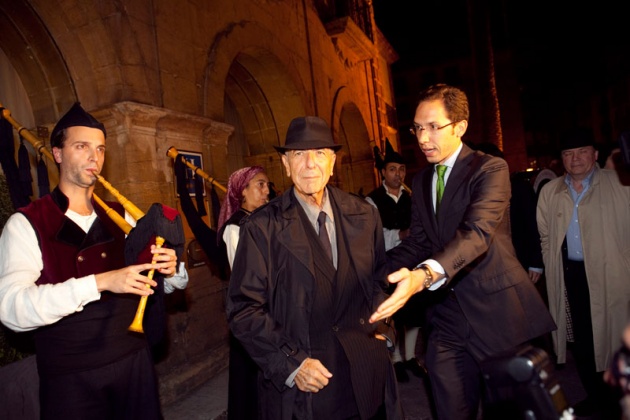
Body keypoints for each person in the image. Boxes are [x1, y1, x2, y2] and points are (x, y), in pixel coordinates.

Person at [368, 83, 556, 420]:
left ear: (460, 127)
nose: (422, 138)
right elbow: (419, 241)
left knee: (511, 411)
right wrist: (375, 275)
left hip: (497, 313)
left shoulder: (489, 169)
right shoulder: (423, 180)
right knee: (451, 409)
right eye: (417, 128)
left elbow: (477, 234)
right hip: (446, 318)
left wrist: (423, 276)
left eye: (433, 127)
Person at [0, 102, 188, 419]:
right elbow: (11, 308)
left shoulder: (123, 215)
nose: (94, 157)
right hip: (71, 376)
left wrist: (171, 269)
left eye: (100, 149)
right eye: (81, 146)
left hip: (133, 362)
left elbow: (170, 283)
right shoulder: (26, 223)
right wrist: (101, 282)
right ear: (57, 153)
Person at [226, 116, 402, 420]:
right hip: (304, 385)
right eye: (298, 154)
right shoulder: (262, 227)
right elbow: (244, 310)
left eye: (319, 153)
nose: (309, 164)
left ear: (333, 162)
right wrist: (291, 364)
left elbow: (379, 281)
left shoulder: (363, 214)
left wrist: (383, 333)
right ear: (285, 163)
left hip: (364, 374)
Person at [536, 127, 630, 417]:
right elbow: (545, 235)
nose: (575, 159)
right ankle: (595, 396)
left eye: (582, 152)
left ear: (595, 155)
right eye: (568, 153)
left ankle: (619, 399)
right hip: (570, 277)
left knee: (614, 340)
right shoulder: (551, 191)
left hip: (611, 276)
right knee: (582, 343)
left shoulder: (619, 183)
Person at [366, 139, 427, 383]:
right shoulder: (372, 200)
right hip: (388, 263)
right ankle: (396, 360)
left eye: (401, 169)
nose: (397, 174)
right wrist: (399, 235)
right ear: (383, 172)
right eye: (392, 169)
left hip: (412, 262)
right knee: (394, 314)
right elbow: (371, 235)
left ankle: (410, 357)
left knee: (414, 313)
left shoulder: (411, 197)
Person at [217, 165, 269, 420]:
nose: (267, 190)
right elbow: (246, 274)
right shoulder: (235, 228)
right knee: (250, 378)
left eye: (267, 184)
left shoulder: (266, 219)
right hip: (252, 311)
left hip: (271, 306)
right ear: (243, 191)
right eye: (260, 185)